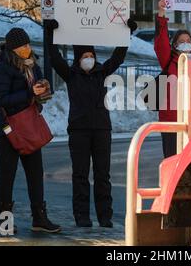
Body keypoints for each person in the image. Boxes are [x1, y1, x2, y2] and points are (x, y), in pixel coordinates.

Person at [45, 19, 138, 228]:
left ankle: (105, 216)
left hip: (102, 130)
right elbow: (54, 57)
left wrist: (127, 34)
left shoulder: (101, 73)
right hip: (79, 130)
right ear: (78, 59)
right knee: (80, 175)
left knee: (102, 174)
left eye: (91, 56)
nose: (89, 59)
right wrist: (50, 34)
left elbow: (118, 57)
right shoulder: (71, 75)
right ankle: (82, 216)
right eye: (85, 56)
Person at [0, 28, 60, 234]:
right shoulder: (2, 67)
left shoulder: (33, 65)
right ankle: (5, 222)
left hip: (29, 126)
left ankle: (39, 217)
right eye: (23, 46)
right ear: (14, 48)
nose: (28, 49)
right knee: (7, 175)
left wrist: (43, 90)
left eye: (29, 45)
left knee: (35, 173)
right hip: (8, 128)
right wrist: (30, 91)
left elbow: (38, 95)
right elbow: (2, 100)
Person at [154, 0, 191, 158]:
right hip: (173, 120)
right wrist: (161, 13)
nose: (186, 44)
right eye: (181, 42)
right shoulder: (169, 61)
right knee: (173, 157)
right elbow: (161, 42)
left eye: (188, 41)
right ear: (174, 45)